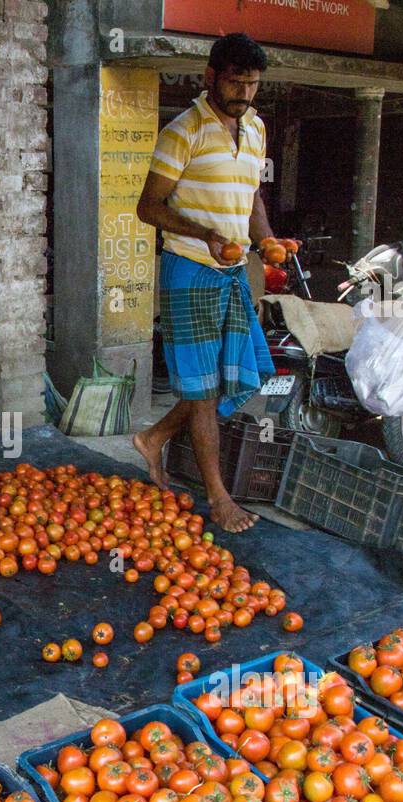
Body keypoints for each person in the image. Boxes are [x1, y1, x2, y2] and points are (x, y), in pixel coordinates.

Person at [134, 32, 278, 533]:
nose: (243, 93)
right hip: (190, 270)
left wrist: (268, 241)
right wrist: (207, 235)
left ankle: (153, 438)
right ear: (210, 77)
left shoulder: (256, 129)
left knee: (236, 375)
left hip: (233, 273)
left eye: (252, 84)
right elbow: (148, 206)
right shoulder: (183, 131)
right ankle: (218, 498)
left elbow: (253, 196)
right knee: (202, 390)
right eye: (235, 83)